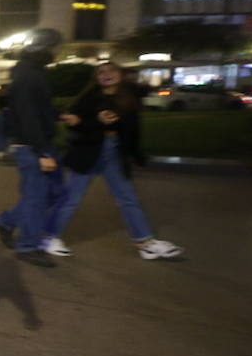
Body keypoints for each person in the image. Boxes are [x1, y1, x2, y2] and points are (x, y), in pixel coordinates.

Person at [40, 62, 183, 261]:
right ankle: (48, 237)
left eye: (111, 71)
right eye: (101, 72)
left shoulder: (128, 98)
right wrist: (96, 120)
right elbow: (76, 126)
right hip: (88, 152)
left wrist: (136, 154)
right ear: (96, 78)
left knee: (127, 198)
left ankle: (145, 243)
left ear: (120, 75)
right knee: (71, 199)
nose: (106, 75)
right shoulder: (89, 98)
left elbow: (132, 130)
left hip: (114, 153)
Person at [0, 28, 64, 267]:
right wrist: (42, 151)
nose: (57, 52)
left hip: (38, 143)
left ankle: (5, 221)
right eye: (55, 47)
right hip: (33, 146)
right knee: (36, 198)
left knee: (51, 193)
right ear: (45, 47)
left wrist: (57, 116)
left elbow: (36, 111)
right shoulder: (29, 76)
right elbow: (28, 116)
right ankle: (28, 246)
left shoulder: (33, 72)